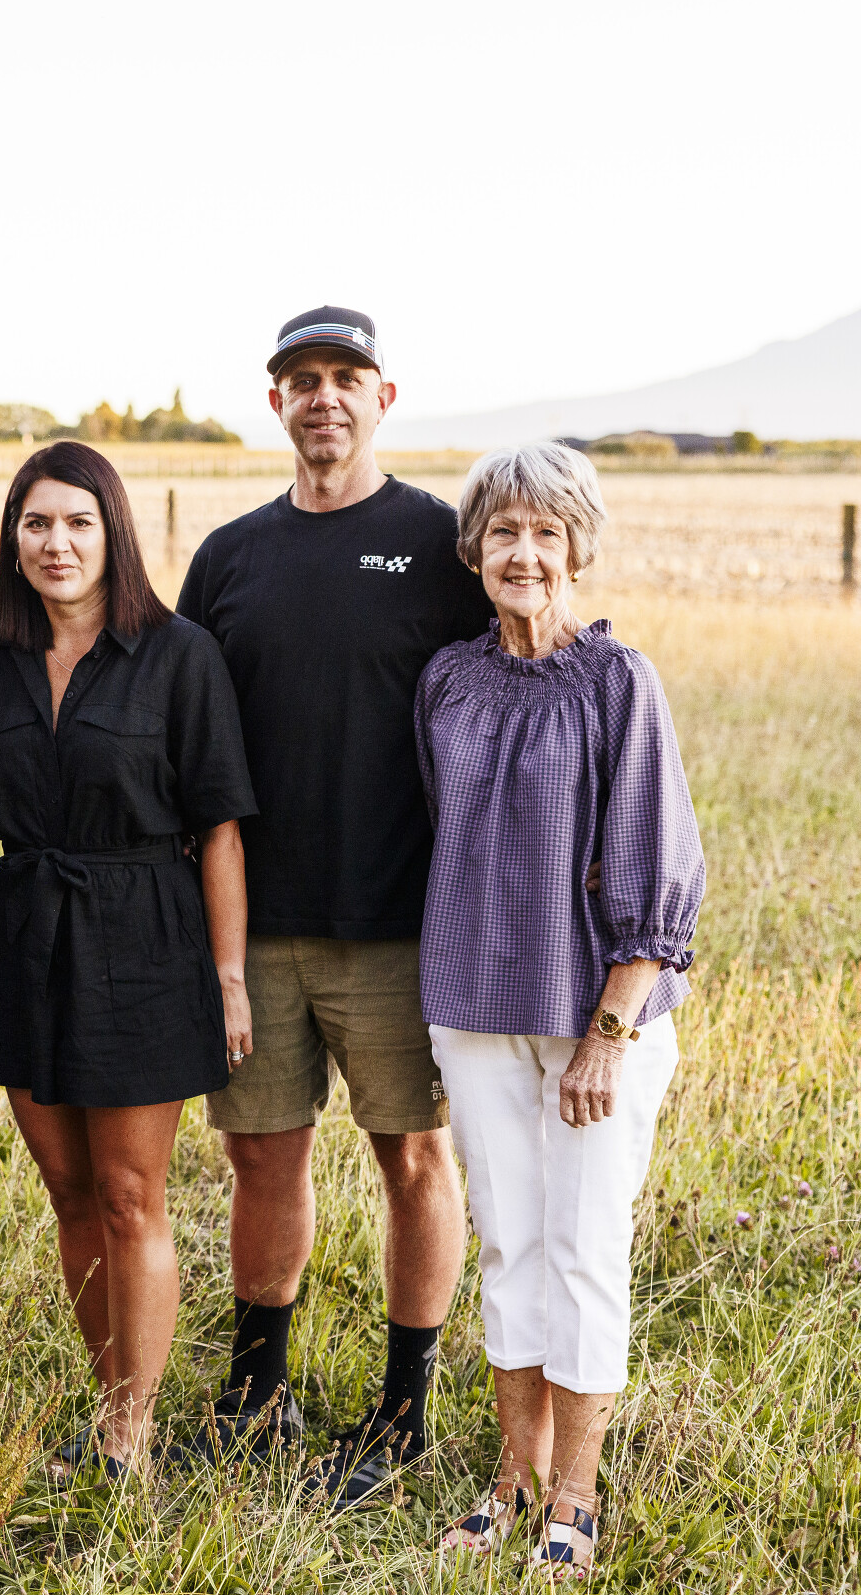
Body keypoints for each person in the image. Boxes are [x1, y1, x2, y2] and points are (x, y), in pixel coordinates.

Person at [174, 306, 493, 1505]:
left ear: (383, 397)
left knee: (413, 1154)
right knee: (263, 1155)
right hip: (255, 927)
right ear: (276, 403)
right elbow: (187, 738)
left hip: (400, 927)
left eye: (345, 377)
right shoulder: (230, 558)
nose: (324, 397)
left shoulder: (439, 546)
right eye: (302, 379)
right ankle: (259, 1396)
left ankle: (403, 1413)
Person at [416, 443, 702, 1578]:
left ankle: (574, 1500)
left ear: (577, 548)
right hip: (478, 1009)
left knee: (585, 1250)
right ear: (475, 551)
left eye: (547, 532)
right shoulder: (447, 681)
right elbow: (453, 838)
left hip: (598, 1022)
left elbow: (659, 866)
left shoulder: (620, 681)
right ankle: (513, 1480)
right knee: (511, 1245)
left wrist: (609, 1033)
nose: (524, 552)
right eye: (504, 532)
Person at [0, 443, 255, 1478]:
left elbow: (220, 827)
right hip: (26, 935)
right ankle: (109, 1398)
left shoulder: (179, 654)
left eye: (77, 523)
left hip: (144, 937)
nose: (56, 543)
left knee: (132, 1193)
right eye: (37, 523)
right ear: (14, 537)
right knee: (69, 1190)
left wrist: (228, 979)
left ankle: (128, 1434)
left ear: (114, 533)